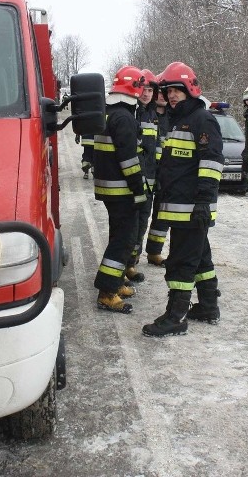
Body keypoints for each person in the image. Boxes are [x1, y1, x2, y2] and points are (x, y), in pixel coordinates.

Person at [143, 62, 224, 337]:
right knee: (200, 258)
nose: (172, 95)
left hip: (192, 208)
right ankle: (208, 307)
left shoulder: (203, 120)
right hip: (181, 207)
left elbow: (211, 163)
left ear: (190, 89)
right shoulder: (180, 120)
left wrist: (204, 201)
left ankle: (176, 316)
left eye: (177, 89)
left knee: (180, 262)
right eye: (168, 90)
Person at [93, 66, 148, 313]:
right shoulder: (124, 117)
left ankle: (116, 282)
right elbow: (129, 161)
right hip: (122, 190)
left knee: (119, 236)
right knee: (123, 241)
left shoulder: (108, 113)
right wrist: (139, 190)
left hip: (109, 188)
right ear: (134, 89)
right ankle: (107, 292)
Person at [127, 68, 160, 282]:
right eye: (144, 89)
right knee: (131, 225)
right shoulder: (132, 111)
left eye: (150, 89)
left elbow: (154, 150)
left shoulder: (152, 113)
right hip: (134, 181)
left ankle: (133, 261)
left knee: (142, 224)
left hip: (148, 182)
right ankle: (126, 264)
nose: (147, 93)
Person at [144, 77, 170, 266]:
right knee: (142, 216)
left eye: (164, 92)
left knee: (162, 216)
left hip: (166, 174)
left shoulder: (175, 116)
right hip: (147, 172)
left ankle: (154, 252)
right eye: (158, 92)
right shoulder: (146, 113)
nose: (161, 95)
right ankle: (133, 257)